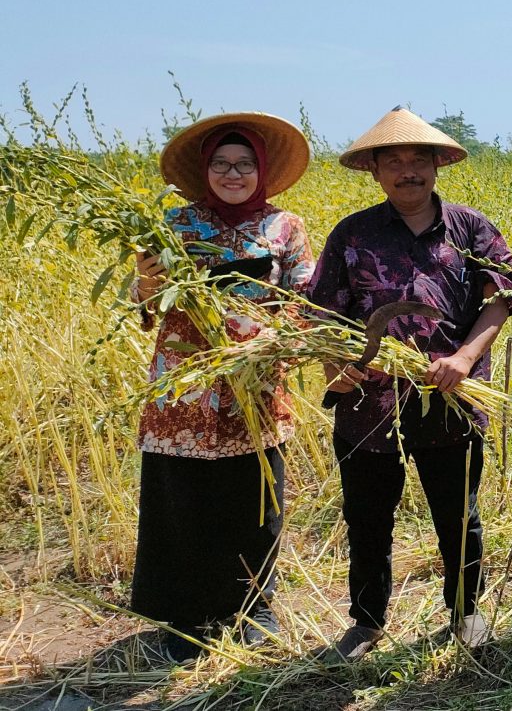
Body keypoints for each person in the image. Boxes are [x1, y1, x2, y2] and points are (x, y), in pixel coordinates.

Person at [307, 106, 512, 660]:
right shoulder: (352, 233)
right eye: (394, 161)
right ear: (375, 171)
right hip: (368, 404)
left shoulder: (471, 228)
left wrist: (466, 357)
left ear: (436, 166)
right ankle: (367, 620)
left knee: (458, 512)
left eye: (418, 160)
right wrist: (341, 368)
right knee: (367, 514)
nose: (408, 172)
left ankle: (465, 610)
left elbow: (502, 299)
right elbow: (323, 314)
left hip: (449, 396)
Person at [131, 111, 314, 663]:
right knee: (182, 500)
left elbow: (306, 302)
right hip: (182, 389)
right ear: (205, 170)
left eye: (243, 164)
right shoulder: (173, 226)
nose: (232, 174)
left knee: (255, 499)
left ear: (260, 169)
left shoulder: (285, 229)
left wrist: (274, 341)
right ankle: (187, 617)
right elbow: (143, 305)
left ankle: (254, 607)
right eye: (220, 164)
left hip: (255, 387)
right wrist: (147, 282)